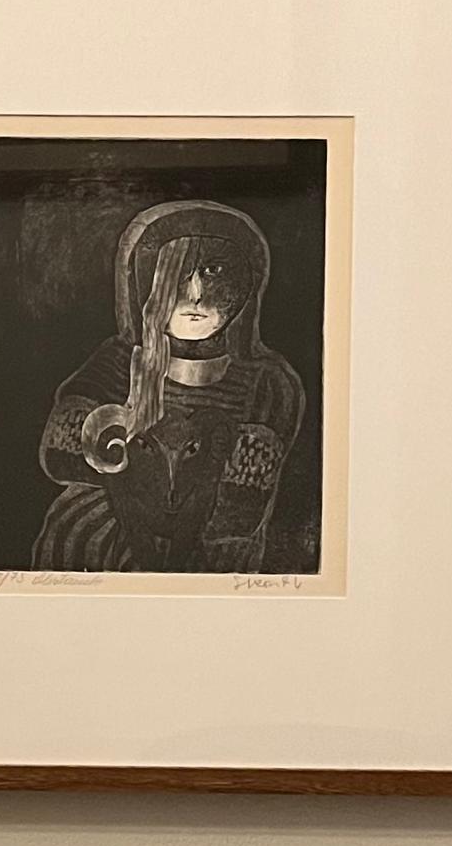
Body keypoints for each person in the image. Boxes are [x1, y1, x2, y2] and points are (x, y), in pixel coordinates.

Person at [33, 199, 304, 573]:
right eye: (174, 271)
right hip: (94, 546)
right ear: (144, 279)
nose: (195, 293)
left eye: (213, 271)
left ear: (248, 282)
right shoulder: (117, 362)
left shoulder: (267, 382)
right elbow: (60, 456)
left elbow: (238, 509)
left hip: (210, 556)